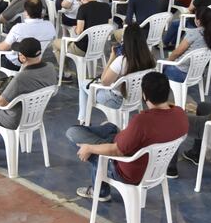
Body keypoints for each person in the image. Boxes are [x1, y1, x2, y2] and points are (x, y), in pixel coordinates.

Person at [67, 71, 188, 199]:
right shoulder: (180, 114)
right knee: (110, 127)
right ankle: (107, 138)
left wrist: (89, 148)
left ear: (144, 96)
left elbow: (116, 151)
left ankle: (101, 191)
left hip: (126, 170)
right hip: (154, 168)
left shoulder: (142, 121)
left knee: (73, 133)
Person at [0, 38, 57, 162]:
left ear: (23, 58)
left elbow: (1, 102)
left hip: (15, 119)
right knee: (12, 104)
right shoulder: (50, 67)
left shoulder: (21, 78)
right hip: (35, 114)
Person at [77, 24, 156, 123]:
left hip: (116, 100)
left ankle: (83, 120)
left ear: (126, 42)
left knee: (84, 84)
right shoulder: (149, 58)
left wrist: (111, 58)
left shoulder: (121, 61)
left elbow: (104, 82)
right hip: (136, 97)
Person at [0, 0, 55, 86]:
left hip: (16, 63)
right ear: (42, 12)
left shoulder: (19, 28)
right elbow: (50, 43)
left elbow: (3, 48)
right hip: (36, 60)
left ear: (26, 12)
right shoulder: (49, 26)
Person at [53, 0, 111, 80]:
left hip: (82, 48)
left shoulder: (83, 8)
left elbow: (79, 31)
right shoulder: (106, 6)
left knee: (56, 43)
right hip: (99, 46)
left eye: (80, 2)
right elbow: (108, 26)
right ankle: (91, 74)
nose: (80, 4)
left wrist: (74, 29)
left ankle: (66, 73)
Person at [163, 8, 211, 82]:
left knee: (158, 66)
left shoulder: (194, 33)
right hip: (198, 73)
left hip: (180, 73)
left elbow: (177, 53)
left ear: (198, 21)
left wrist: (166, 62)